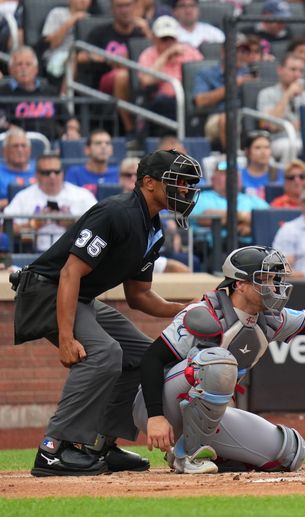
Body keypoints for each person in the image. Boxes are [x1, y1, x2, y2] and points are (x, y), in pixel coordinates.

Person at [11, 150, 202, 477]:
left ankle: (100, 444)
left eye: (188, 184)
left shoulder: (151, 227)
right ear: (148, 183)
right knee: (104, 352)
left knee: (146, 356)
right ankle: (54, 449)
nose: (184, 190)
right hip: (46, 291)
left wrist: (184, 310)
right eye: (177, 181)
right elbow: (70, 273)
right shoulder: (117, 213)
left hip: (79, 297)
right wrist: (68, 337)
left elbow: (139, 296)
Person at [132, 245, 305, 473]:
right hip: (161, 405)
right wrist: (155, 417)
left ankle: (210, 453)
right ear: (240, 284)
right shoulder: (204, 313)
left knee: (290, 453)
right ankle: (187, 456)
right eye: (264, 279)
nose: (273, 286)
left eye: (274, 278)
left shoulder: (270, 318)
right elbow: (153, 359)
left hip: (207, 415)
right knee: (218, 362)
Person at [77, 0, 151, 136]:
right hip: (106, 81)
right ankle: (131, 130)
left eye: (128, 5)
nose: (125, 10)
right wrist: (108, 58)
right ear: (112, 9)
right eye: (120, 6)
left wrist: (148, 32)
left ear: (135, 6)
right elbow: (80, 57)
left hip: (139, 78)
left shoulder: (141, 32)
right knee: (122, 76)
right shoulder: (101, 32)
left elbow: (153, 53)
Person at [4, 154, 97, 252]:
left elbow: (99, 224)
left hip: (73, 255)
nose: (52, 176)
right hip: (34, 256)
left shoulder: (82, 195)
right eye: (46, 173)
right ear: (37, 175)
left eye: (56, 172)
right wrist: (32, 224)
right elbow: (4, 228)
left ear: (62, 173)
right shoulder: (23, 197)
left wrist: (73, 223)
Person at [137, 16, 204, 132]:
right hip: (161, 101)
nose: (168, 43)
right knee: (163, 103)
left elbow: (203, 74)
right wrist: (166, 55)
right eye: (164, 39)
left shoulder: (190, 52)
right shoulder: (148, 55)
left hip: (189, 97)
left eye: (171, 39)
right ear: (154, 38)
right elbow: (146, 80)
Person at [193, 34, 260, 150]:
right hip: (216, 117)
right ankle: (234, 160)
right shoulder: (207, 74)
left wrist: (254, 85)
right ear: (223, 52)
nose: (240, 55)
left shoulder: (250, 74)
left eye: (244, 52)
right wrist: (233, 85)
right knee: (227, 119)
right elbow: (200, 101)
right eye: (236, 51)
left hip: (246, 116)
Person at [0, 47, 78, 141]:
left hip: (52, 144)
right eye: (19, 64)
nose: (23, 68)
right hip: (17, 143)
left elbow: (70, 118)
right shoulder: (2, 92)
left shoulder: (50, 91)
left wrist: (72, 129)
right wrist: (11, 129)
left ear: (36, 69)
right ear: (11, 69)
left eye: (28, 64)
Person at [256, 53, 305, 164]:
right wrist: (288, 94)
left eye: (301, 71)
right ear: (280, 70)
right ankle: (287, 179)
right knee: (290, 146)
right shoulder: (266, 94)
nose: (297, 75)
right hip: (279, 140)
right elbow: (270, 125)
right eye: (293, 69)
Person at [191, 161, 270, 246]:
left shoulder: (252, 199)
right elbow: (205, 218)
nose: (231, 177)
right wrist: (242, 217)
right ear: (213, 179)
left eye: (235, 173)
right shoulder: (201, 198)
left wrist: (249, 229)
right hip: (214, 249)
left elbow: (267, 219)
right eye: (225, 173)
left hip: (252, 247)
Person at [40, 0, 92, 80]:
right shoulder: (57, 13)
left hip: (82, 58)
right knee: (74, 59)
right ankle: (65, 94)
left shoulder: (91, 18)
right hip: (57, 55)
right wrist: (72, 20)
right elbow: (52, 43)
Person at [65, 130, 119, 197]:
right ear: (87, 150)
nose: (103, 146)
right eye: (98, 143)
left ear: (112, 150)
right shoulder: (75, 173)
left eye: (107, 143)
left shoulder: (119, 174)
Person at [0, 127, 36, 208]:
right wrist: (18, 202)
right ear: (5, 151)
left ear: (29, 150)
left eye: (23, 146)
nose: (20, 150)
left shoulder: (41, 170)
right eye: (15, 146)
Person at [240, 131, 280, 200]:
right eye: (257, 148)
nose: (263, 152)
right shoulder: (238, 176)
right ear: (247, 151)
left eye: (267, 147)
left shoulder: (283, 175)